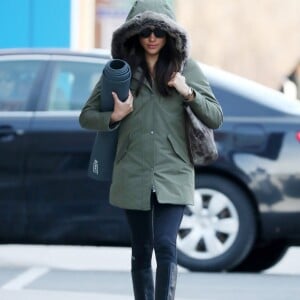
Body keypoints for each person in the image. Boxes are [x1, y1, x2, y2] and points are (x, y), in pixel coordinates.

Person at [79, 0, 223, 299]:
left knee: (166, 245)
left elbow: (215, 116)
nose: (153, 37)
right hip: (133, 170)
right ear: (134, 35)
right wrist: (114, 116)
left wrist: (187, 91)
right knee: (142, 248)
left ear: (171, 35)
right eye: (145, 31)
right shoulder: (119, 72)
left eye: (160, 31)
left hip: (175, 170)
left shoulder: (186, 69)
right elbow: (86, 116)